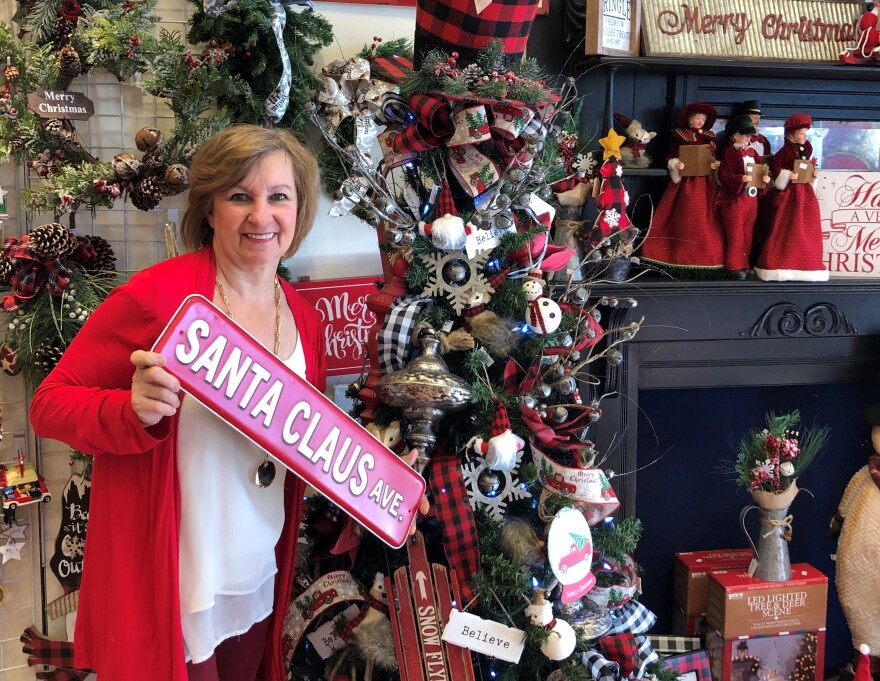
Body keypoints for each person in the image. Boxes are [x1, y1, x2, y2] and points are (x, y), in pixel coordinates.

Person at [28, 125, 426, 681]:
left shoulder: (303, 319)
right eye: (240, 196)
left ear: (299, 209)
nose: (261, 216)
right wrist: (130, 410)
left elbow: (305, 442)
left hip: (256, 575)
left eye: (278, 197)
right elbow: (48, 405)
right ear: (209, 208)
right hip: (175, 584)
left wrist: (384, 488)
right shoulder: (156, 298)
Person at [639, 102, 726, 277]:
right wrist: (676, 164)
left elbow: (714, 157)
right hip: (687, 183)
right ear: (689, 120)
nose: (700, 121)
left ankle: (707, 260)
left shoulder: (710, 137)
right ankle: (673, 257)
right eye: (697, 118)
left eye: (703, 119)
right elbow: (673, 154)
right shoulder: (681, 135)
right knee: (681, 216)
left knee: (708, 221)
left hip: (707, 183)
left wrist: (714, 165)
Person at [754, 113, 828, 281]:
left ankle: (806, 263)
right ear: (790, 135)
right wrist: (787, 175)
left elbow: (806, 165)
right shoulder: (784, 152)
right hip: (790, 195)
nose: (804, 136)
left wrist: (812, 174)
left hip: (805, 193)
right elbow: (776, 167)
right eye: (801, 133)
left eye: (805, 133)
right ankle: (781, 262)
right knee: (786, 226)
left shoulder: (805, 149)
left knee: (806, 227)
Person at [715, 115, 770, 279]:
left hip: (751, 198)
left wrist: (764, 180)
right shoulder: (730, 153)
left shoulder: (752, 152)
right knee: (736, 234)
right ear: (734, 135)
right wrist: (740, 179)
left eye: (749, 135)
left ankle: (745, 265)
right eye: (744, 134)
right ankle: (734, 266)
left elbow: (759, 170)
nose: (748, 138)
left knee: (747, 233)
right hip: (735, 199)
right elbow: (723, 175)